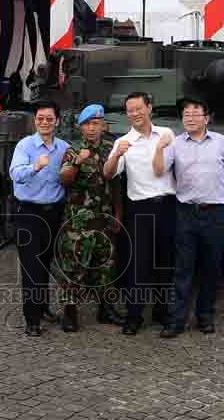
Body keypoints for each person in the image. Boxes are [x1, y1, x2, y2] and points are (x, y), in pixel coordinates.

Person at [154, 97, 224, 338]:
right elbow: (159, 170)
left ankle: (205, 316)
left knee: (211, 267)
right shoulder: (176, 144)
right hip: (186, 212)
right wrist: (160, 149)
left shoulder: (221, 142)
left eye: (195, 114)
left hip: (215, 212)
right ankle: (176, 320)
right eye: (186, 114)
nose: (189, 118)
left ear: (206, 118)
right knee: (182, 269)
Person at [103, 92, 177, 336]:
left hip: (167, 204)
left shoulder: (166, 134)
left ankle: (162, 311)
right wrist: (116, 154)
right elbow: (108, 174)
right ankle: (134, 315)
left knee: (165, 262)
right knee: (139, 264)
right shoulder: (123, 141)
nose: (135, 114)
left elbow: (168, 168)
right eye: (130, 110)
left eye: (138, 108)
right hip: (140, 208)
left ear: (149, 108)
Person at [56, 104, 126, 332]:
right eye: (87, 124)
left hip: (104, 220)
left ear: (103, 125)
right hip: (79, 222)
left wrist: (118, 214)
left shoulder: (110, 149)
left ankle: (106, 308)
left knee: (106, 266)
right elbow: (64, 180)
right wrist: (77, 162)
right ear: (81, 127)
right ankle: (70, 311)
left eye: (96, 123)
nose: (92, 128)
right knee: (75, 267)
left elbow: (115, 184)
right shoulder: (73, 150)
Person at [9, 101, 70, 336]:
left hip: (54, 213)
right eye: (40, 118)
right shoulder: (25, 146)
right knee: (32, 268)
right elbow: (15, 174)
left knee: (45, 264)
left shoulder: (64, 147)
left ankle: (43, 307)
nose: (45, 122)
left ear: (57, 121)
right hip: (29, 214)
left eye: (49, 118)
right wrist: (35, 166)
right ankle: (31, 319)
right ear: (35, 121)